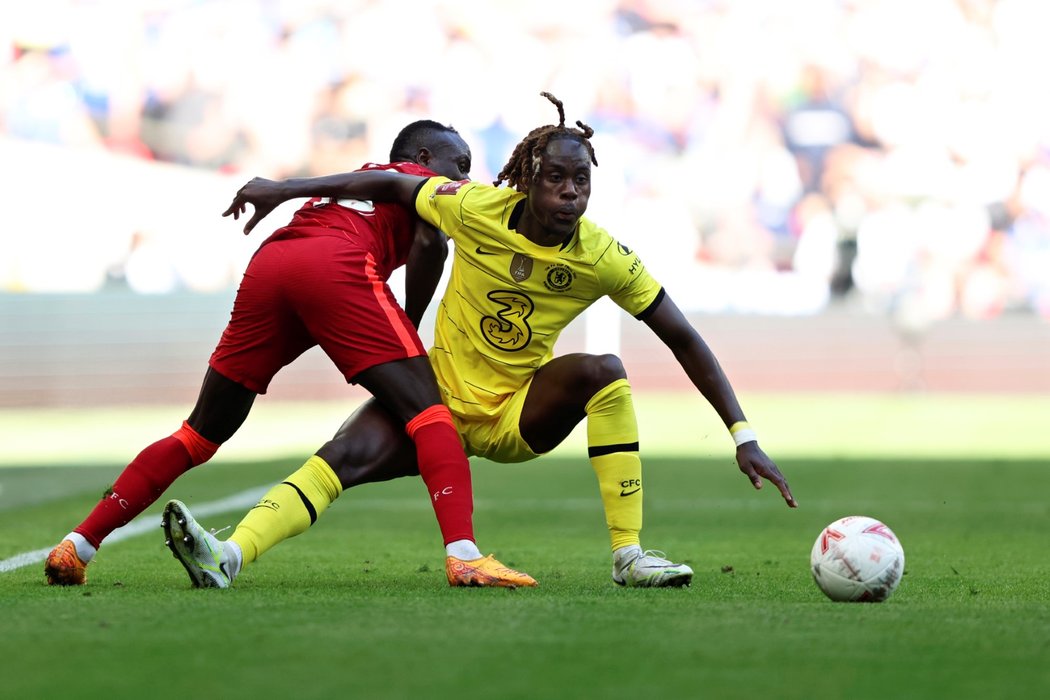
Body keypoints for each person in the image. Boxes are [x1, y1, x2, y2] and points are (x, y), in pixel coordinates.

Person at [170, 92, 797, 590]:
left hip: (515, 413)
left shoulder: (603, 256)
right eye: (556, 178)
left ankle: (628, 555)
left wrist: (744, 436)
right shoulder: (472, 208)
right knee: (338, 459)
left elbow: (682, 336)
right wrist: (283, 191)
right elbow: (392, 184)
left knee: (603, 369)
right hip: (432, 399)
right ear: (528, 177)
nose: (570, 192)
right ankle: (228, 555)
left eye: (581, 181)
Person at [44, 120, 535, 589]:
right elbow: (431, 243)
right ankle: (465, 556)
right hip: (336, 266)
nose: (465, 178)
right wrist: (408, 321)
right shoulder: (417, 180)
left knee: (199, 433)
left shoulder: (359, 181)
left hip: (274, 263)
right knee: (429, 412)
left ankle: (78, 545)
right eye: (461, 163)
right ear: (424, 158)